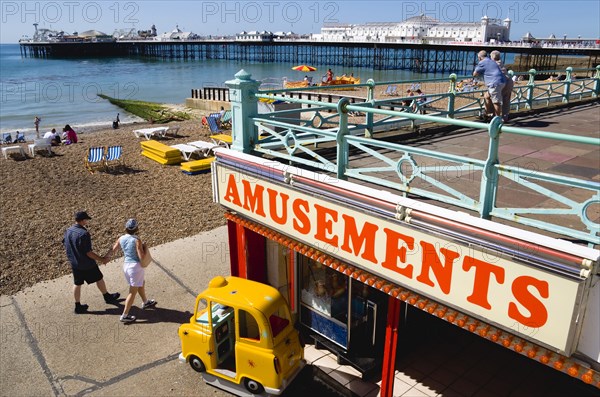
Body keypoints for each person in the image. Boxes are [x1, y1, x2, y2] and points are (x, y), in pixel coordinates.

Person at [63, 211, 120, 314]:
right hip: (87, 264)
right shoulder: (84, 234)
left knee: (77, 283)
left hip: (75, 264)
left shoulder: (68, 230)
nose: (87, 221)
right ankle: (107, 297)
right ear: (82, 220)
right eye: (86, 219)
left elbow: (65, 244)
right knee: (99, 278)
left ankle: (78, 306)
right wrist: (102, 259)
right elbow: (88, 252)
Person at [110, 218, 156, 323]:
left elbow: (113, 250)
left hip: (126, 266)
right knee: (132, 292)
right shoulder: (136, 240)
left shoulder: (121, 238)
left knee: (141, 283)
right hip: (135, 268)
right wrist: (144, 249)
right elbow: (141, 256)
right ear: (137, 228)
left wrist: (104, 259)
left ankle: (145, 302)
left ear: (126, 228)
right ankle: (124, 315)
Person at [473, 50, 506, 119]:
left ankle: (497, 119)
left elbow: (475, 74)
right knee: (487, 96)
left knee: (496, 101)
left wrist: (480, 74)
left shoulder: (482, 62)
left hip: (494, 83)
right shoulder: (491, 61)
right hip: (502, 81)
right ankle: (488, 114)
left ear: (479, 58)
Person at [490, 50, 514, 122]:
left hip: (501, 84)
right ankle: (505, 117)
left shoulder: (494, 64)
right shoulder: (501, 63)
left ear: (492, 57)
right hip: (509, 82)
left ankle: (495, 117)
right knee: (506, 100)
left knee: (496, 100)